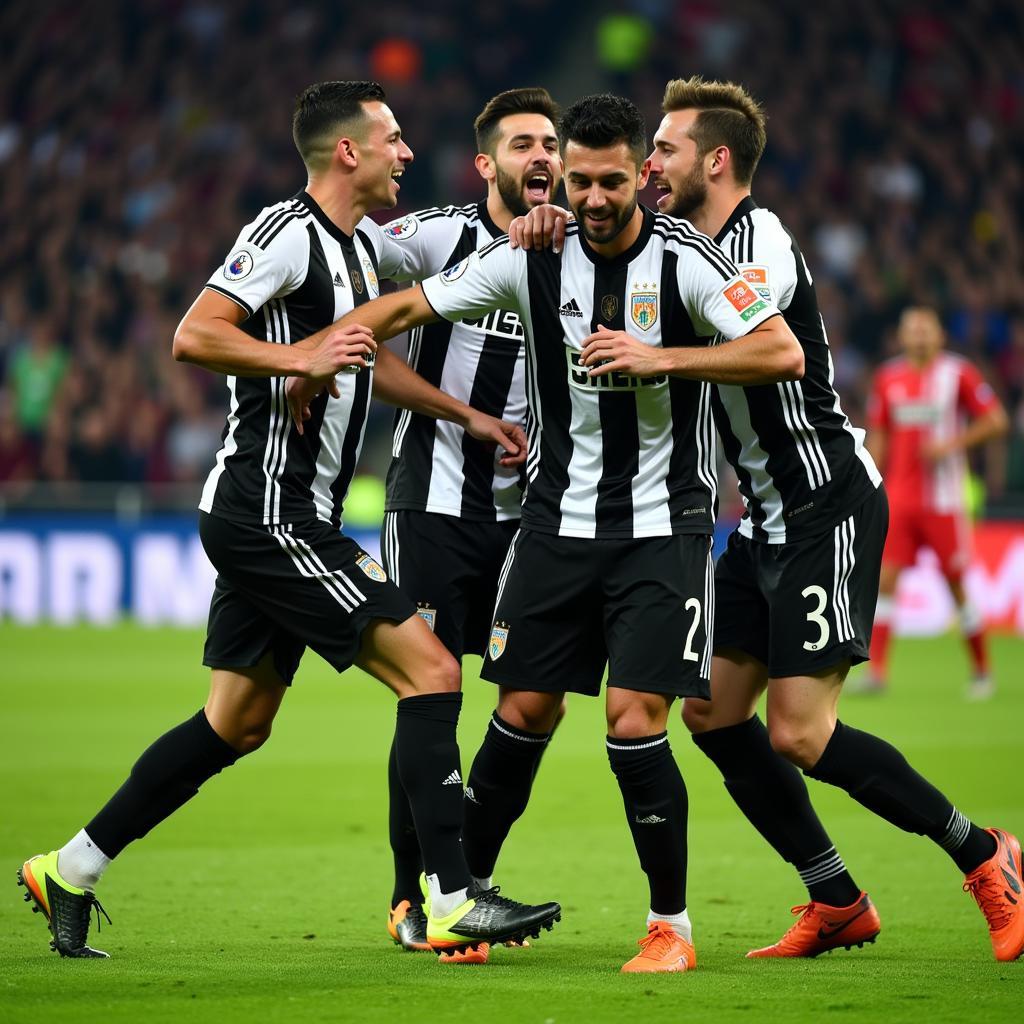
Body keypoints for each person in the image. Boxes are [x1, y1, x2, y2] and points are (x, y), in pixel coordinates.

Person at [17, 80, 560, 960]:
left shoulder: (355, 253)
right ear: (349, 150)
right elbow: (195, 333)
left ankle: (70, 867)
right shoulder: (286, 233)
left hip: (284, 514)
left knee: (237, 722)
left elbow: (355, 356)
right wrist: (293, 355)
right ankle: (450, 898)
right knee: (430, 672)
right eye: (392, 139)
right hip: (270, 511)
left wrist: (436, 404)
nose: (406, 153)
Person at [289, 92, 803, 973]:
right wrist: (318, 351)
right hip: (554, 527)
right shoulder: (527, 258)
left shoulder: (687, 259)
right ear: (559, 177)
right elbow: (404, 311)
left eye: (611, 181)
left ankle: (670, 927)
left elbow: (779, 350)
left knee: (635, 721)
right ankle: (465, 904)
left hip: (660, 530)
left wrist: (662, 356)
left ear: (642, 174)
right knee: (520, 711)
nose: (595, 199)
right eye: (580, 181)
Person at [602, 75, 1021, 963]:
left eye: (667, 149)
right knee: (711, 713)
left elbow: (768, 348)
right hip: (761, 523)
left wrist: (656, 354)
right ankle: (834, 896)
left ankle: (987, 856)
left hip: (827, 503)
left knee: (799, 732)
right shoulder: (674, 246)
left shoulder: (759, 239)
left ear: (716, 159)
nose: (650, 165)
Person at [374, 87, 566, 958]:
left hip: (535, 519)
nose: (543, 156)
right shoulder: (434, 237)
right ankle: (415, 898)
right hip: (433, 507)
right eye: (523, 142)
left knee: (535, 700)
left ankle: (470, 874)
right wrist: (465, 414)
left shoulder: (586, 247)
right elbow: (345, 299)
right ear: (487, 163)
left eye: (551, 143)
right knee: (432, 687)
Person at [865, 306, 1009, 698]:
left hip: (944, 501)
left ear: (940, 335)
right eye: (912, 329)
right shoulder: (887, 378)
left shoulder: (958, 373)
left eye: (926, 328)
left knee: (956, 584)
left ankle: (982, 672)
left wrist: (951, 444)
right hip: (900, 498)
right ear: (901, 335)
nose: (919, 335)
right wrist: (870, 482)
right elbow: (879, 435)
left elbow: (996, 420)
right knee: (887, 581)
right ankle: (876, 673)